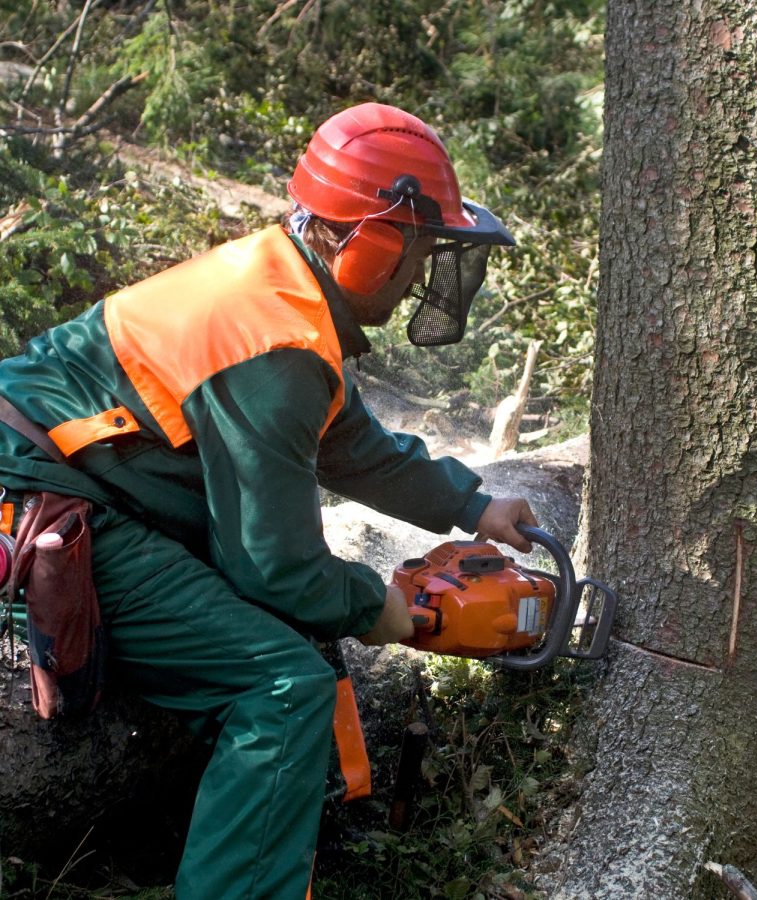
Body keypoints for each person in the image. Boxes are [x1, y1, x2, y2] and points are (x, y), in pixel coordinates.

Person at [0, 102, 537, 898]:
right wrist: (376, 606)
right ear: (373, 240)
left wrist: (473, 505)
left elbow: (352, 446)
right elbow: (275, 567)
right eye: (420, 249)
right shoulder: (276, 346)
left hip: (83, 481)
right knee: (283, 688)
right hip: (50, 501)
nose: (424, 273)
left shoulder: (282, 291)